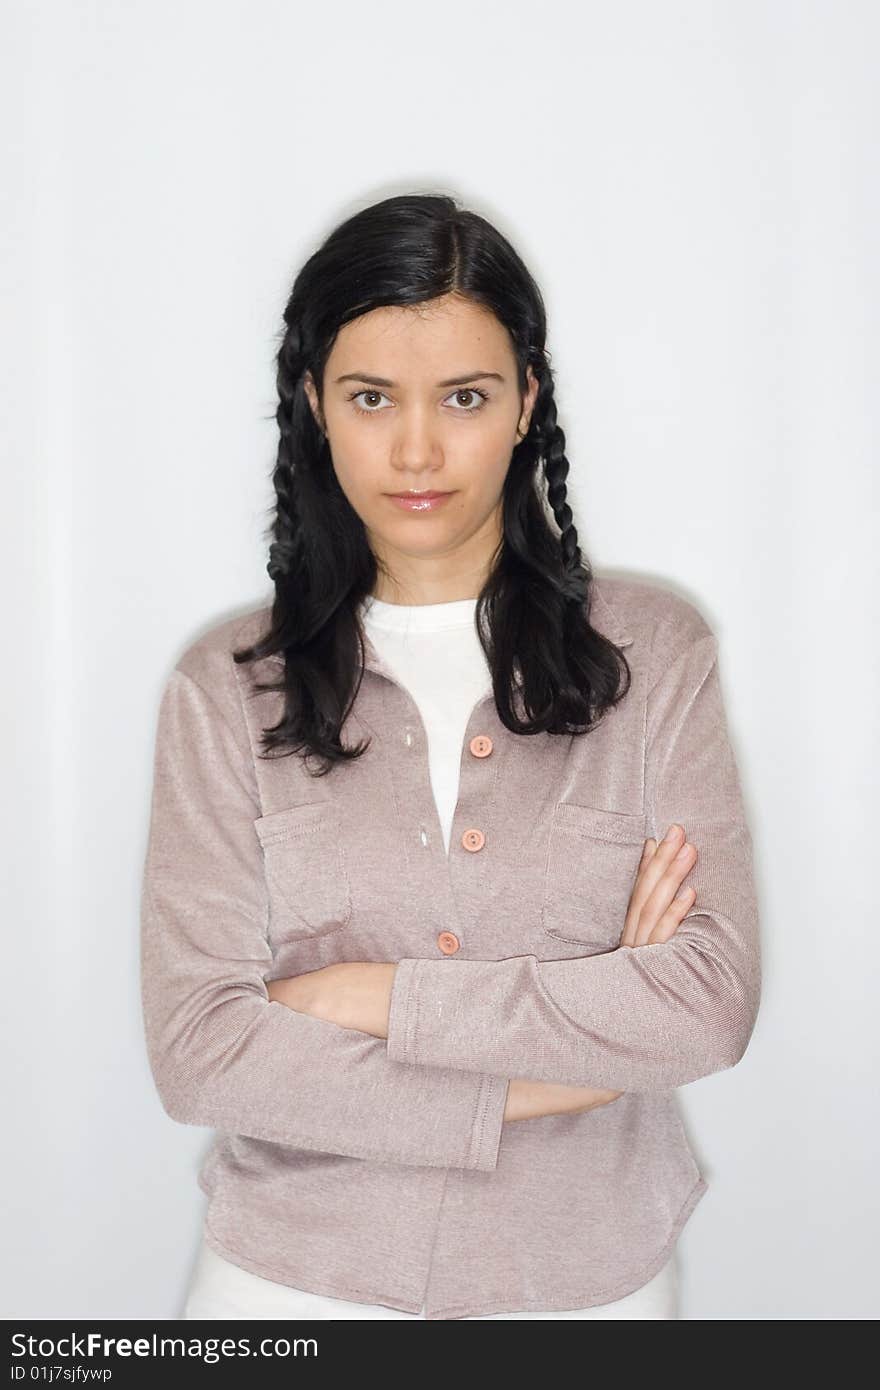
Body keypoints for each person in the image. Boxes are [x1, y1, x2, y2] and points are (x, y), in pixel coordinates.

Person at [140, 192, 761, 1321]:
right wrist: (579, 1055)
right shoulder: (225, 688)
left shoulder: (656, 656)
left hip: (589, 1277)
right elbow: (201, 1051)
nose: (417, 449)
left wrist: (353, 994)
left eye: (464, 397)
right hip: (293, 1283)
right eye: (371, 397)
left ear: (526, 401)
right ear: (315, 405)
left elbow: (708, 1006)